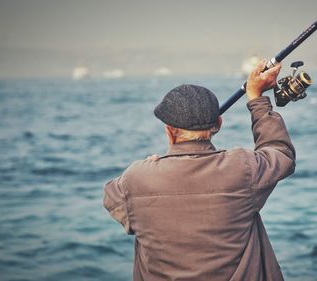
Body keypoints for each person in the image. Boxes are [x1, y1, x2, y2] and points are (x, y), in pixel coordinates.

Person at [103, 59, 295, 280]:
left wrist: (147, 168)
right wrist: (256, 98)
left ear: (169, 131)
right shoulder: (242, 168)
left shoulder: (136, 179)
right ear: (218, 124)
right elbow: (281, 153)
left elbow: (111, 195)